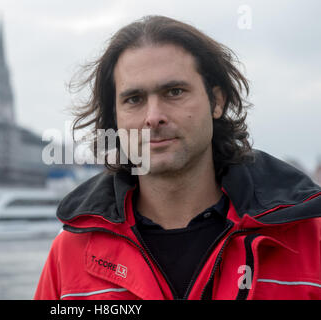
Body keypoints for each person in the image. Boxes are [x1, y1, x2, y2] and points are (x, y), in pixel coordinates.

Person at [34, 15, 321, 300]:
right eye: (134, 99)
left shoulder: (310, 237)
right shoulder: (71, 252)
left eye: (174, 92)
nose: (154, 117)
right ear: (115, 117)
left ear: (216, 101)